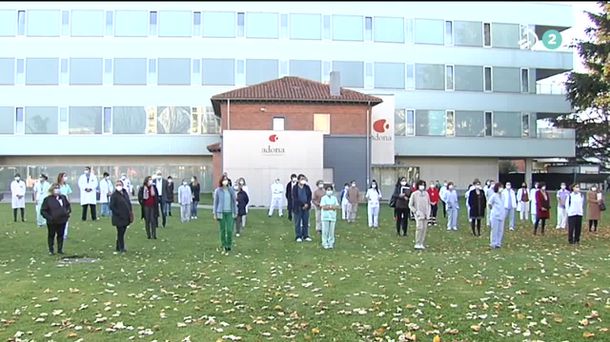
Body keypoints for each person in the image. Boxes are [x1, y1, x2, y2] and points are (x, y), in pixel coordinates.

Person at [40, 183, 71, 255]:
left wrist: (67, 213)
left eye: (58, 188)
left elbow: (68, 206)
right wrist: (49, 218)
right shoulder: (47, 199)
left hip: (62, 220)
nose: (57, 190)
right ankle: (51, 250)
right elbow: (43, 211)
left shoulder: (63, 197)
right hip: (52, 221)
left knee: (61, 235)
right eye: (55, 188)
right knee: (51, 235)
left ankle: (60, 249)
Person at [213, 175, 237, 254]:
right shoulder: (218, 191)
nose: (225, 181)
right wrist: (215, 213)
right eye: (224, 180)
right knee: (222, 230)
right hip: (221, 212)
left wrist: (235, 212)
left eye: (226, 180)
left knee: (229, 230)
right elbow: (215, 203)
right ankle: (223, 244)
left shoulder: (231, 190)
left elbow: (234, 201)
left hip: (230, 212)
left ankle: (229, 245)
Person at [109, 180, 133, 253]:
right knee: (120, 232)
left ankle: (118, 246)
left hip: (126, 216)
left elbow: (128, 202)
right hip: (118, 217)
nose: (119, 186)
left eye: (120, 184)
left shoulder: (125, 193)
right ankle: (121, 247)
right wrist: (118, 212)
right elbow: (111, 206)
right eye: (117, 185)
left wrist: (130, 212)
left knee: (122, 232)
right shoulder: (114, 195)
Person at [409, 180, 431, 250]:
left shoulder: (426, 194)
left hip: (426, 214)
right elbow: (410, 205)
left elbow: (428, 204)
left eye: (423, 185)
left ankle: (421, 243)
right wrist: (415, 211)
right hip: (418, 214)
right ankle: (417, 243)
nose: (422, 186)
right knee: (419, 228)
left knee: (424, 229)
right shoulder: (414, 194)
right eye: (421, 185)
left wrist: (428, 212)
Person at [292, 174, 312, 242]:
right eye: (301, 179)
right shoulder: (295, 188)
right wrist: (302, 204)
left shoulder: (307, 187)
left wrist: (307, 204)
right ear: (298, 180)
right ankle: (298, 236)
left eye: (304, 179)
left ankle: (305, 235)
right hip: (298, 207)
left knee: (305, 222)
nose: (303, 180)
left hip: (306, 207)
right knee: (298, 222)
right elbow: (295, 198)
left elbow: (309, 196)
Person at [320, 184, 339, 249]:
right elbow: (323, 207)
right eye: (328, 190)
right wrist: (331, 206)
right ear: (325, 191)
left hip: (333, 217)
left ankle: (331, 243)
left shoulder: (334, 198)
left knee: (331, 231)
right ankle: (324, 243)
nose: (329, 191)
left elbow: (336, 206)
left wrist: (329, 206)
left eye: (330, 190)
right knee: (325, 231)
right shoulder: (323, 198)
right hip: (325, 217)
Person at [488, 182, 506, 249]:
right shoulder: (494, 195)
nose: (501, 189)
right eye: (500, 187)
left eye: (502, 187)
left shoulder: (503, 195)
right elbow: (489, 204)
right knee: (494, 229)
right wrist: (493, 209)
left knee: (500, 230)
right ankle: (493, 243)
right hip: (495, 215)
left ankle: (498, 243)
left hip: (502, 214)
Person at [57, 172, 73, 239]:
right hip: (58, 203)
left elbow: (69, 195)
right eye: (64, 176)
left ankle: (65, 234)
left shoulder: (67, 186)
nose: (65, 178)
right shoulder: (57, 186)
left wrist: (69, 204)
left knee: (65, 219)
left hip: (65, 204)